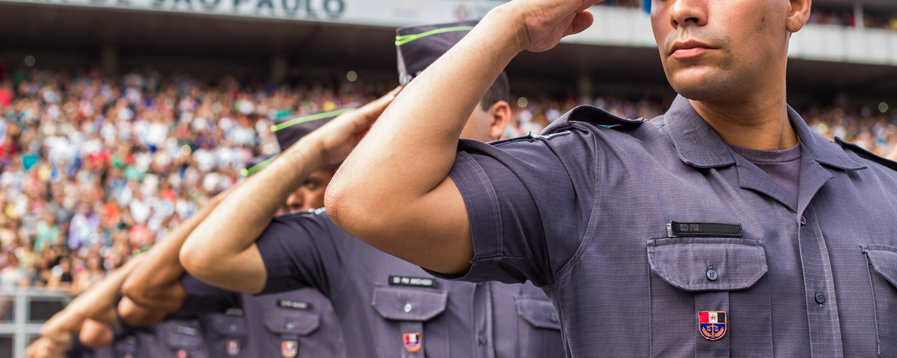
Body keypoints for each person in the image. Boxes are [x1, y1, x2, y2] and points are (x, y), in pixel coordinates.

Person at [325, 1, 897, 357]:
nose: (682, 11)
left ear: (797, 6)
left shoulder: (884, 194)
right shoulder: (588, 172)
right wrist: (511, 22)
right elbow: (369, 201)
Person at [180, 31, 565, 356]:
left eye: (448, 104)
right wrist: (313, 150)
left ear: (497, 118)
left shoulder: (553, 223)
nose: (424, 125)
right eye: (411, 110)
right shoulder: (349, 228)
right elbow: (208, 255)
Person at [121, 146, 346, 358]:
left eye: (310, 184)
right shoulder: (250, 268)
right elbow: (140, 292)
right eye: (281, 192)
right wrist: (220, 204)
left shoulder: (363, 255)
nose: (292, 199)